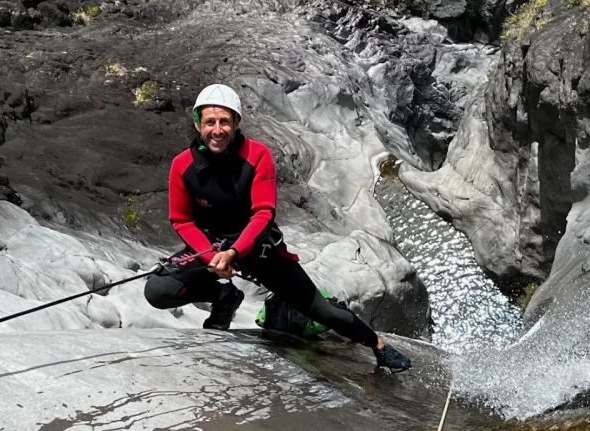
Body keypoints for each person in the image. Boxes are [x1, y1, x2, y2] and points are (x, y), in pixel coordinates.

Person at [143, 83, 412, 372]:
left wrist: (233, 253)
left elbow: (263, 214)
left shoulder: (257, 156)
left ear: (237, 123)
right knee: (159, 290)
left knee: (322, 311)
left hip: (260, 249)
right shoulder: (183, 165)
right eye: (210, 122)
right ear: (198, 124)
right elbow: (181, 220)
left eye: (224, 122)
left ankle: (378, 346)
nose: (217, 130)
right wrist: (213, 259)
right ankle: (225, 296)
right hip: (212, 250)